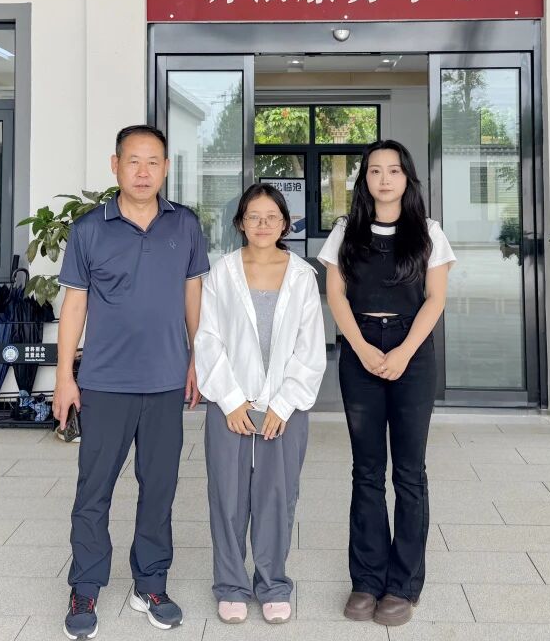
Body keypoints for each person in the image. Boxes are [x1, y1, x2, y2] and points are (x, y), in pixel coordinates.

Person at [53, 124, 210, 640]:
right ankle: (85, 586)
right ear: (115, 165)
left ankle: (151, 583)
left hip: (166, 381)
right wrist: (65, 377)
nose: (143, 172)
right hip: (105, 382)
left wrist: (198, 358)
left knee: (159, 488)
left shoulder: (184, 224)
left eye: (153, 161)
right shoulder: (89, 229)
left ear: (166, 168)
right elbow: (75, 304)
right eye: (133, 161)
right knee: (93, 490)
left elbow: (192, 294)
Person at [318, 140, 455, 628]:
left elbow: (435, 299)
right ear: (365, 180)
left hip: (411, 352)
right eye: (374, 171)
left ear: (406, 178)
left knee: (410, 473)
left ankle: (403, 584)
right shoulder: (345, 231)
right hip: (360, 348)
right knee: (367, 470)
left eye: (393, 170)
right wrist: (360, 347)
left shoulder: (428, 232)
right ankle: (366, 580)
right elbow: (336, 296)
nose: (383, 179)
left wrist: (402, 352)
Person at [194, 184, 326, 626]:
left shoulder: (302, 276)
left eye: (272, 217)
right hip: (229, 404)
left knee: (277, 496)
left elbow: (310, 349)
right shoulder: (223, 272)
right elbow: (208, 340)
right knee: (227, 497)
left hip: (284, 409)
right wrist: (231, 401)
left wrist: (283, 405)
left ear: (285, 223)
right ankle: (231, 585)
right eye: (254, 216)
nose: (263, 224)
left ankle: (272, 584)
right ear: (240, 223)